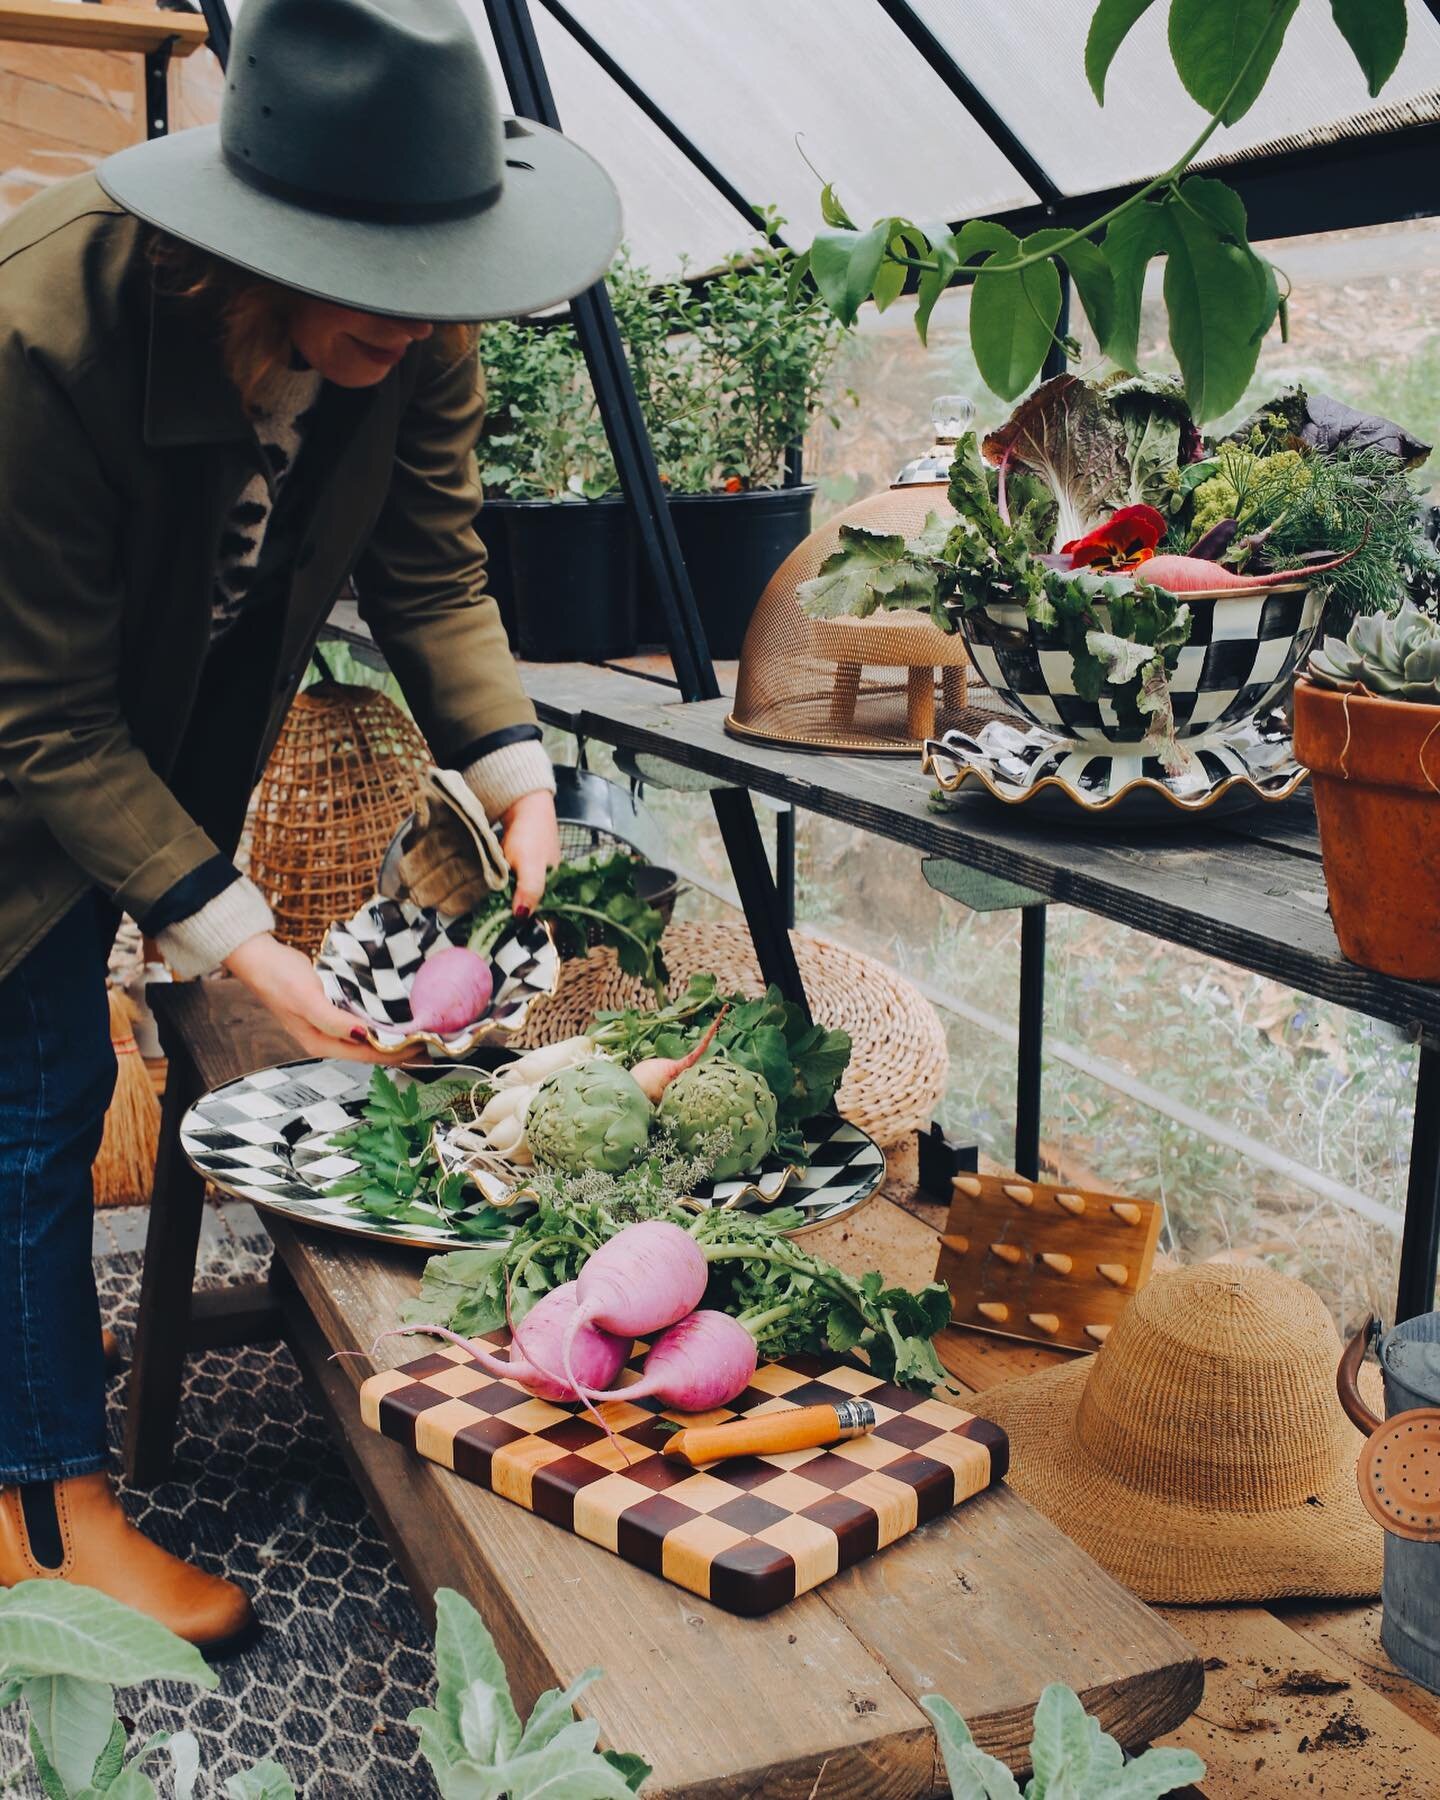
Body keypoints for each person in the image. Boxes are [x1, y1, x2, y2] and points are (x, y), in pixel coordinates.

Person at [0, 0, 620, 1647]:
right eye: (385, 297)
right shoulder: (45, 326)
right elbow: (40, 715)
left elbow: (431, 563)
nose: (422, 330)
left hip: (95, 745)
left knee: (42, 1084)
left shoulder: (412, 309)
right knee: (33, 1087)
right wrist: (242, 937)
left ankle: (27, 1350)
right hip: (12, 739)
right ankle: (43, 1518)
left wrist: (511, 770)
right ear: (251, 244)